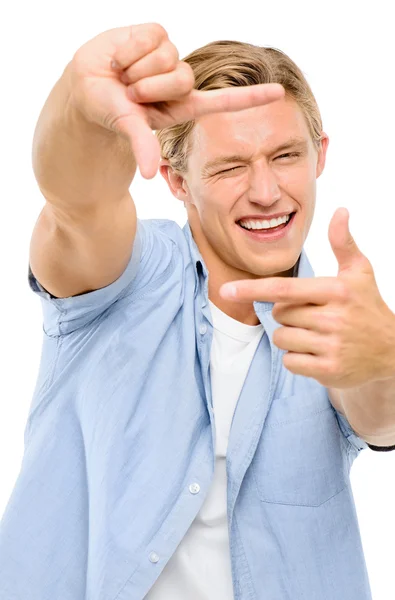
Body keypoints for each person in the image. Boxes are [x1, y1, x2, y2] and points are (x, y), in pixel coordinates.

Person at [0, 22, 394, 600]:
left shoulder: (336, 319)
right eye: (231, 166)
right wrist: (77, 111)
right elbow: (77, 205)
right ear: (178, 180)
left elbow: (377, 415)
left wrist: (385, 359)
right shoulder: (129, 273)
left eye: (285, 155)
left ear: (320, 156)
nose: (265, 192)